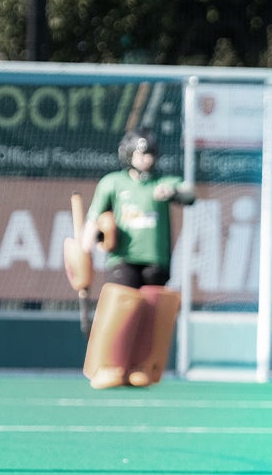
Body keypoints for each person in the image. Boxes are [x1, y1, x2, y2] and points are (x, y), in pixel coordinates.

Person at [79, 129, 195, 390]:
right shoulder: (113, 183)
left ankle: (141, 367)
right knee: (121, 311)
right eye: (142, 154)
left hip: (156, 259)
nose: (146, 160)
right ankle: (109, 365)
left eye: (150, 155)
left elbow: (188, 193)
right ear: (129, 154)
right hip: (123, 258)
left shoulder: (162, 182)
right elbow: (93, 218)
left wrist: (172, 192)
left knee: (151, 313)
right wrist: (85, 248)